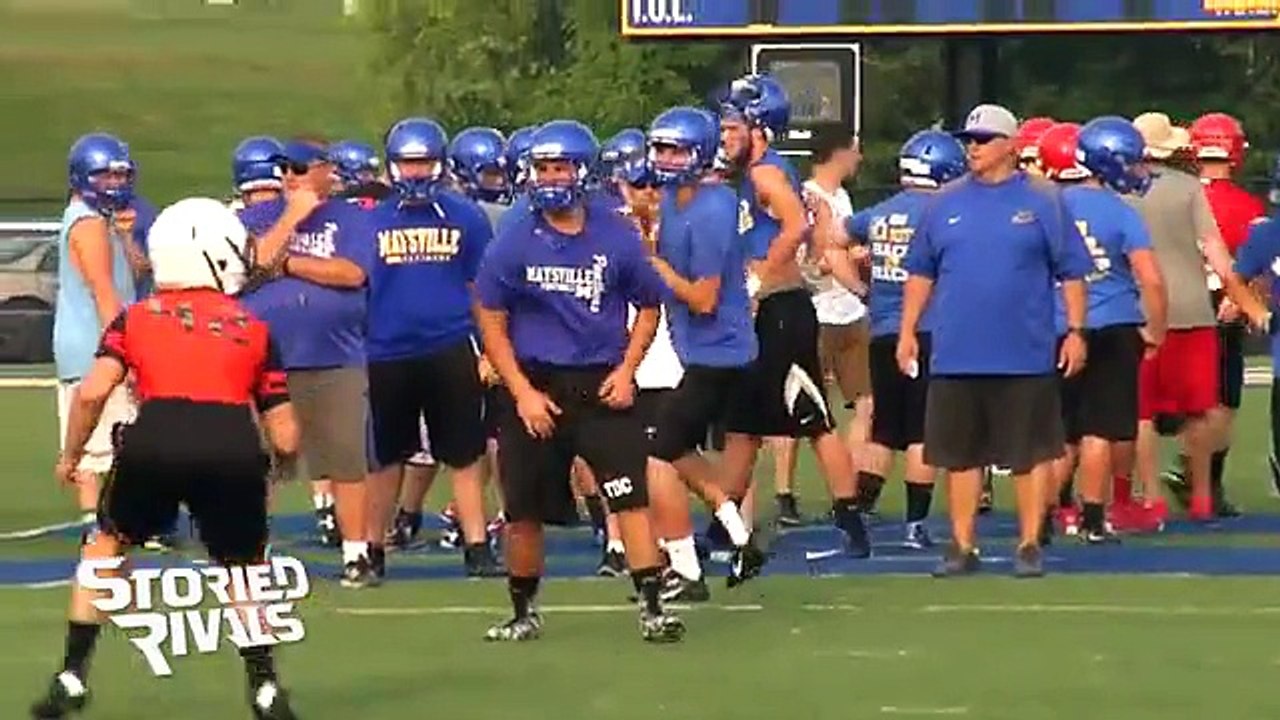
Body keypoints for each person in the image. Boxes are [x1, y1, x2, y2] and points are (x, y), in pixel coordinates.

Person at [32, 198, 301, 720]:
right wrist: (280, 465)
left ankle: (71, 674)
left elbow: (92, 392)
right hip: (229, 441)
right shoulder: (253, 325)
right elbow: (286, 433)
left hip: (155, 436)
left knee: (106, 545)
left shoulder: (136, 318)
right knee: (243, 567)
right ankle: (264, 686)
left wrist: (71, 455)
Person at [475, 120, 684, 643]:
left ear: (582, 170)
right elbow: (490, 314)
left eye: (559, 167)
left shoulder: (614, 234)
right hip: (535, 383)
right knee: (522, 510)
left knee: (628, 497)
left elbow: (650, 305)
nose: (549, 178)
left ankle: (652, 608)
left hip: (598, 382)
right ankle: (523, 611)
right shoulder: (516, 237)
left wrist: (626, 370)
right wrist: (521, 391)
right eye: (542, 168)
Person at [898, 103, 1093, 578]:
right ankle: (963, 546)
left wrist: (1076, 331)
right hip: (957, 350)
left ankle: (1028, 544)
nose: (973, 148)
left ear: (1009, 145)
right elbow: (920, 272)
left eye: (983, 140)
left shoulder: (1045, 201)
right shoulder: (944, 202)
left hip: (1023, 351)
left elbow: (1072, 272)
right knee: (959, 456)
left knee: (1028, 454)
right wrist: (907, 331)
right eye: (969, 140)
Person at [716, 73, 870, 558]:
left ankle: (850, 515)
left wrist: (759, 275)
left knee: (812, 416)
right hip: (765, 310)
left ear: (757, 126)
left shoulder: (766, 173)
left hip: (782, 309)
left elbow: (798, 225)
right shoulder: (757, 172)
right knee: (742, 422)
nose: (723, 137)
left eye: (732, 127)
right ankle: (724, 521)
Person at [363, 117, 503, 578]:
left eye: (424, 162)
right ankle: (372, 550)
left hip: (449, 345)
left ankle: (477, 546)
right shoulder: (374, 218)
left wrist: (488, 349)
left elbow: (481, 286)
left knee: (464, 453)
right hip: (387, 351)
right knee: (387, 456)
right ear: (393, 166)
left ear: (441, 165)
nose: (417, 173)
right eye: (408, 163)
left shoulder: (465, 215)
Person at [240, 137, 378, 586]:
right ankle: (250, 552)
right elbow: (252, 261)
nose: (290, 178)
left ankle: (356, 553)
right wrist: (293, 216)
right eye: (285, 170)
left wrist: (290, 264)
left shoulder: (352, 218)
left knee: (345, 459)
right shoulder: (257, 217)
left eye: (299, 168)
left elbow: (351, 273)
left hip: (334, 355)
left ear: (325, 170)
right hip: (267, 358)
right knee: (259, 462)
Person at [1124, 111, 1269, 527]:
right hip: (1195, 306)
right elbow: (1221, 256)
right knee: (1203, 407)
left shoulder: (1120, 193)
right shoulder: (1193, 191)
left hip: (1142, 310)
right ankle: (1203, 496)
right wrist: (1240, 297)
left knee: (1143, 411)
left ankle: (1150, 498)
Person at [644, 106, 764, 592]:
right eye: (662, 149)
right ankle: (737, 536)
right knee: (672, 447)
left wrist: (653, 266)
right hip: (698, 350)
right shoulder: (673, 199)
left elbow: (704, 297)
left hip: (723, 352)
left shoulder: (715, 208)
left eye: (677, 150)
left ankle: (692, 565)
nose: (667, 159)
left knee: (662, 448)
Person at [1039, 118, 1169, 543]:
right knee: (1098, 430)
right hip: (1112, 325)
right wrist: (1156, 329)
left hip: (1057, 328)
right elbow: (1150, 278)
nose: (1136, 171)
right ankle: (1093, 519)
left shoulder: (1050, 205)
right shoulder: (1120, 212)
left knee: (1060, 433)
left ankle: (1039, 518)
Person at [839, 129, 967, 549]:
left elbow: (834, 243)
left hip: (882, 329)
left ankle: (860, 510)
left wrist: (863, 289)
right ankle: (915, 523)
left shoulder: (882, 212)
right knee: (922, 432)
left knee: (883, 430)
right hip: (927, 330)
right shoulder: (945, 212)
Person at [777, 127, 873, 526]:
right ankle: (786, 494)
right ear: (839, 153)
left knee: (864, 404)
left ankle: (844, 491)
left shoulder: (840, 198)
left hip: (845, 311)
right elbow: (820, 258)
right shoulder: (812, 199)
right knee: (799, 408)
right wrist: (858, 278)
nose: (860, 158)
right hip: (819, 311)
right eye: (855, 149)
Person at [53, 134, 142, 532]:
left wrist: (124, 234)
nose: (115, 184)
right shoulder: (87, 223)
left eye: (120, 175)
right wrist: (124, 351)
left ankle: (105, 521)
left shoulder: (102, 221)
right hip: (94, 343)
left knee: (112, 441)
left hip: (94, 340)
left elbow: (136, 272)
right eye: (105, 176)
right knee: (103, 443)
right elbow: (104, 292)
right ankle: (101, 524)